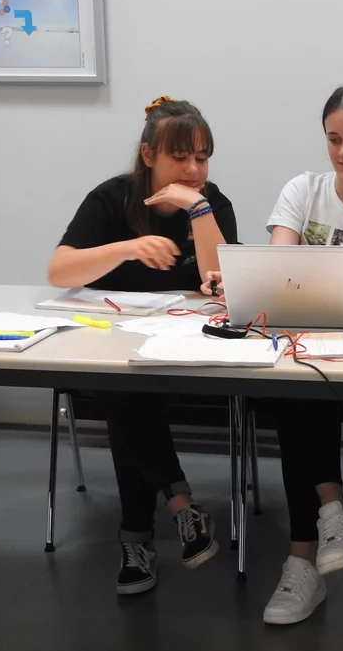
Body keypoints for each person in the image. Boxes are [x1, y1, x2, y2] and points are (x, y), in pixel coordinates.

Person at [203, 85, 343, 625]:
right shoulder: (303, 189)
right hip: (308, 345)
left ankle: (310, 548)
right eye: (334, 139)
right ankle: (324, 523)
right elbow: (278, 266)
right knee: (297, 391)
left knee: (299, 399)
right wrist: (241, 280)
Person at [48, 96, 238, 595]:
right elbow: (59, 270)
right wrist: (128, 247)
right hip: (114, 345)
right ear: (149, 155)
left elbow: (224, 280)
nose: (194, 169)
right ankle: (180, 507)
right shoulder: (113, 198)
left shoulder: (210, 202)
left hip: (189, 351)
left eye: (202, 157)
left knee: (127, 396)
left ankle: (138, 536)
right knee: (124, 388)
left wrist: (198, 209)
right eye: (180, 156)